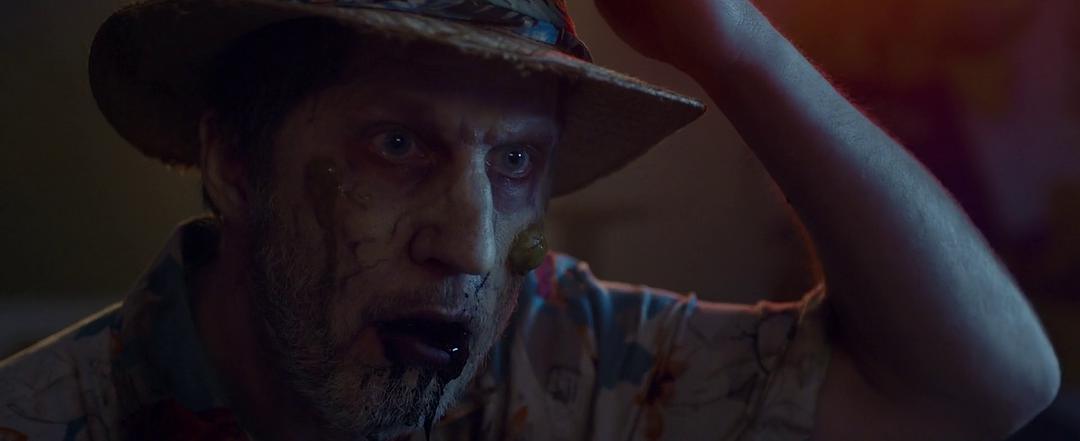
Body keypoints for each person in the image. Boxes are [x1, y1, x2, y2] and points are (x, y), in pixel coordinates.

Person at [0, 0, 1060, 440]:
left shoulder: (566, 359)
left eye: (516, 162)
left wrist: (736, 46)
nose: (471, 246)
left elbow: (987, 387)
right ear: (235, 164)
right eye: (396, 144)